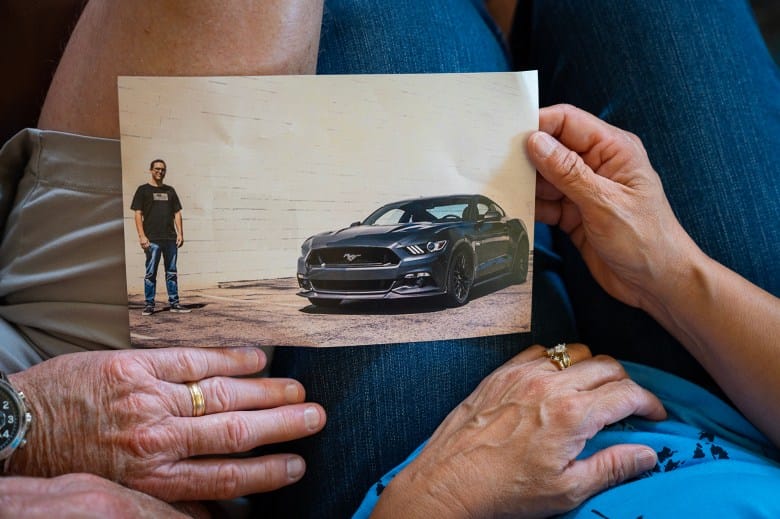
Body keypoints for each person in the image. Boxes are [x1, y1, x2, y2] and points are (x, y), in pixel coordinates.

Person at [0, 0, 778, 517]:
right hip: (748, 416)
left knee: (400, 19)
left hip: (440, 476)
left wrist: (432, 498)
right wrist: (674, 271)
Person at [131, 158, 190, 316]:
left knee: (172, 272)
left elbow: (177, 213)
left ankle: (174, 303)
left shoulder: (170, 191)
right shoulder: (143, 190)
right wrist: (142, 236)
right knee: (151, 273)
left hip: (170, 239)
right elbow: (138, 214)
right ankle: (149, 304)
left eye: (162, 169)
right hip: (152, 240)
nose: (160, 171)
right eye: (157, 169)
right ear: (151, 170)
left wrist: (180, 234)